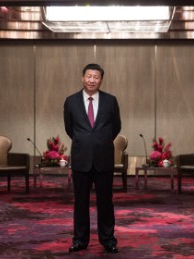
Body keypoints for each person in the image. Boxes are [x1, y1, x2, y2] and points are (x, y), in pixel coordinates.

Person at [63, 63, 121, 254]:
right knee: (80, 202)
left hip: (104, 158)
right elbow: (69, 128)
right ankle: (80, 240)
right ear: (82, 78)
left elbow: (116, 127)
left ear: (101, 80)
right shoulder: (71, 101)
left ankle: (108, 239)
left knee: (105, 201)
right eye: (89, 76)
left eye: (96, 77)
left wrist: (100, 141)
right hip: (81, 158)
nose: (92, 80)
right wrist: (85, 141)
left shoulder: (110, 101)